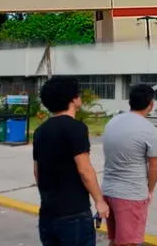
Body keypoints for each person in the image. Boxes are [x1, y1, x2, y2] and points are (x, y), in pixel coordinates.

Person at [33, 76, 108, 246]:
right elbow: (84, 170)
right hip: (74, 214)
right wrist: (99, 201)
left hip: (47, 213)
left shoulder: (40, 131)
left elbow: (37, 171)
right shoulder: (76, 128)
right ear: (73, 99)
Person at [102, 84, 157, 246]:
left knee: (115, 240)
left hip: (108, 191)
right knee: (129, 242)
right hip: (131, 194)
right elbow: (154, 166)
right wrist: (149, 190)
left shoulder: (112, 123)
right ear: (151, 104)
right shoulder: (149, 130)